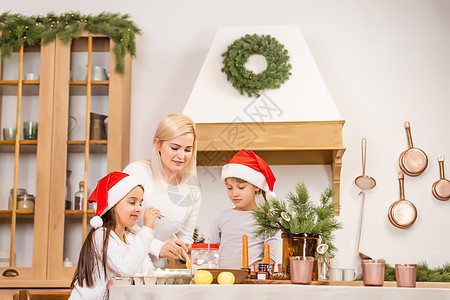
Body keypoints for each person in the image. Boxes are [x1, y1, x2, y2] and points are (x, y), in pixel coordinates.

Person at [123, 113, 201, 268]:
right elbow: (122, 222)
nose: (181, 156)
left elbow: (185, 235)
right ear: (158, 144)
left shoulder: (192, 190)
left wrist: (185, 250)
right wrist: (158, 247)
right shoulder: (137, 173)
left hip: (157, 273)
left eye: (187, 149)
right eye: (175, 148)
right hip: (123, 265)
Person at [69, 171, 161, 299]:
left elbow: (147, 274)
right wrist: (147, 229)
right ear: (113, 204)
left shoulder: (131, 238)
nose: (139, 208)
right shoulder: (100, 236)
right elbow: (126, 268)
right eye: (132, 202)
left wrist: (123, 282)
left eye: (140, 203)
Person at [208, 149, 280, 269]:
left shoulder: (268, 218)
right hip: (224, 281)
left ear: (256, 186)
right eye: (229, 188)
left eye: (241, 187)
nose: (234, 193)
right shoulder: (221, 217)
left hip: (252, 283)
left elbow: (270, 258)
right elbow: (210, 251)